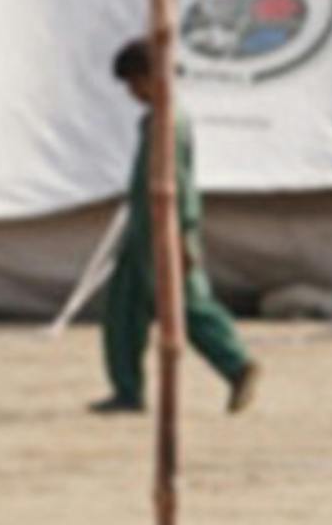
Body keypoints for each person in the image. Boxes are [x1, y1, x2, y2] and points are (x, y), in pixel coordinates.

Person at [87, 32, 258, 416]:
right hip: (145, 230)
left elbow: (179, 183)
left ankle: (236, 364)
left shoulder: (169, 122)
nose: (132, 91)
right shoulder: (154, 120)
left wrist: (183, 234)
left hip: (164, 230)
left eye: (135, 81)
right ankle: (127, 389)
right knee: (124, 312)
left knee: (188, 306)